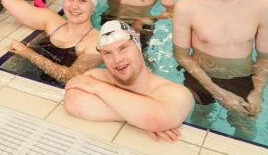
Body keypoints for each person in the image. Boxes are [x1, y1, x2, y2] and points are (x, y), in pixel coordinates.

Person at [173, 0, 268, 138]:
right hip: (200, 78)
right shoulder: (186, 7)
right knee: (198, 125)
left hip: (242, 77)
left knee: (246, 132)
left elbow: (265, 59)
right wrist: (219, 93)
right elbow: (181, 56)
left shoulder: (262, 7)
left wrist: (257, 92)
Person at [64, 20, 194, 142]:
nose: (117, 59)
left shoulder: (177, 92)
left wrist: (99, 88)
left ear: (138, 47)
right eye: (108, 53)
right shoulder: (96, 76)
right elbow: (73, 102)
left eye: (123, 48)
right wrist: (141, 118)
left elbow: (154, 119)